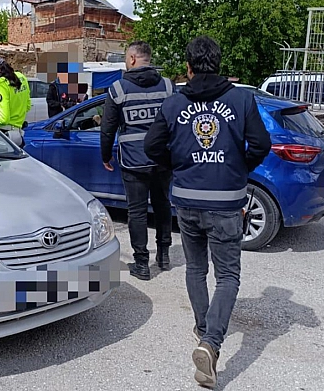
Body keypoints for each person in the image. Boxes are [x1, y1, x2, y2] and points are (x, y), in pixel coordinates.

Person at [143, 36, 271, 389]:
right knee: (228, 276)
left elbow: (151, 145)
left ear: (188, 66)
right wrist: (237, 167)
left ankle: (203, 330)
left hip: (185, 199)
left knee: (197, 269)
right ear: (218, 62)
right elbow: (262, 144)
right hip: (227, 200)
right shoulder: (241, 99)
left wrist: (179, 165)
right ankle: (211, 343)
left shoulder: (174, 103)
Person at [100, 41, 175, 281]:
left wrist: (105, 155)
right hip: (163, 158)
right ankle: (163, 255)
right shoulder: (168, 86)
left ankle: (142, 264)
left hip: (134, 160)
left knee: (137, 211)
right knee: (163, 205)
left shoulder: (118, 89)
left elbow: (107, 128)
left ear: (132, 59)